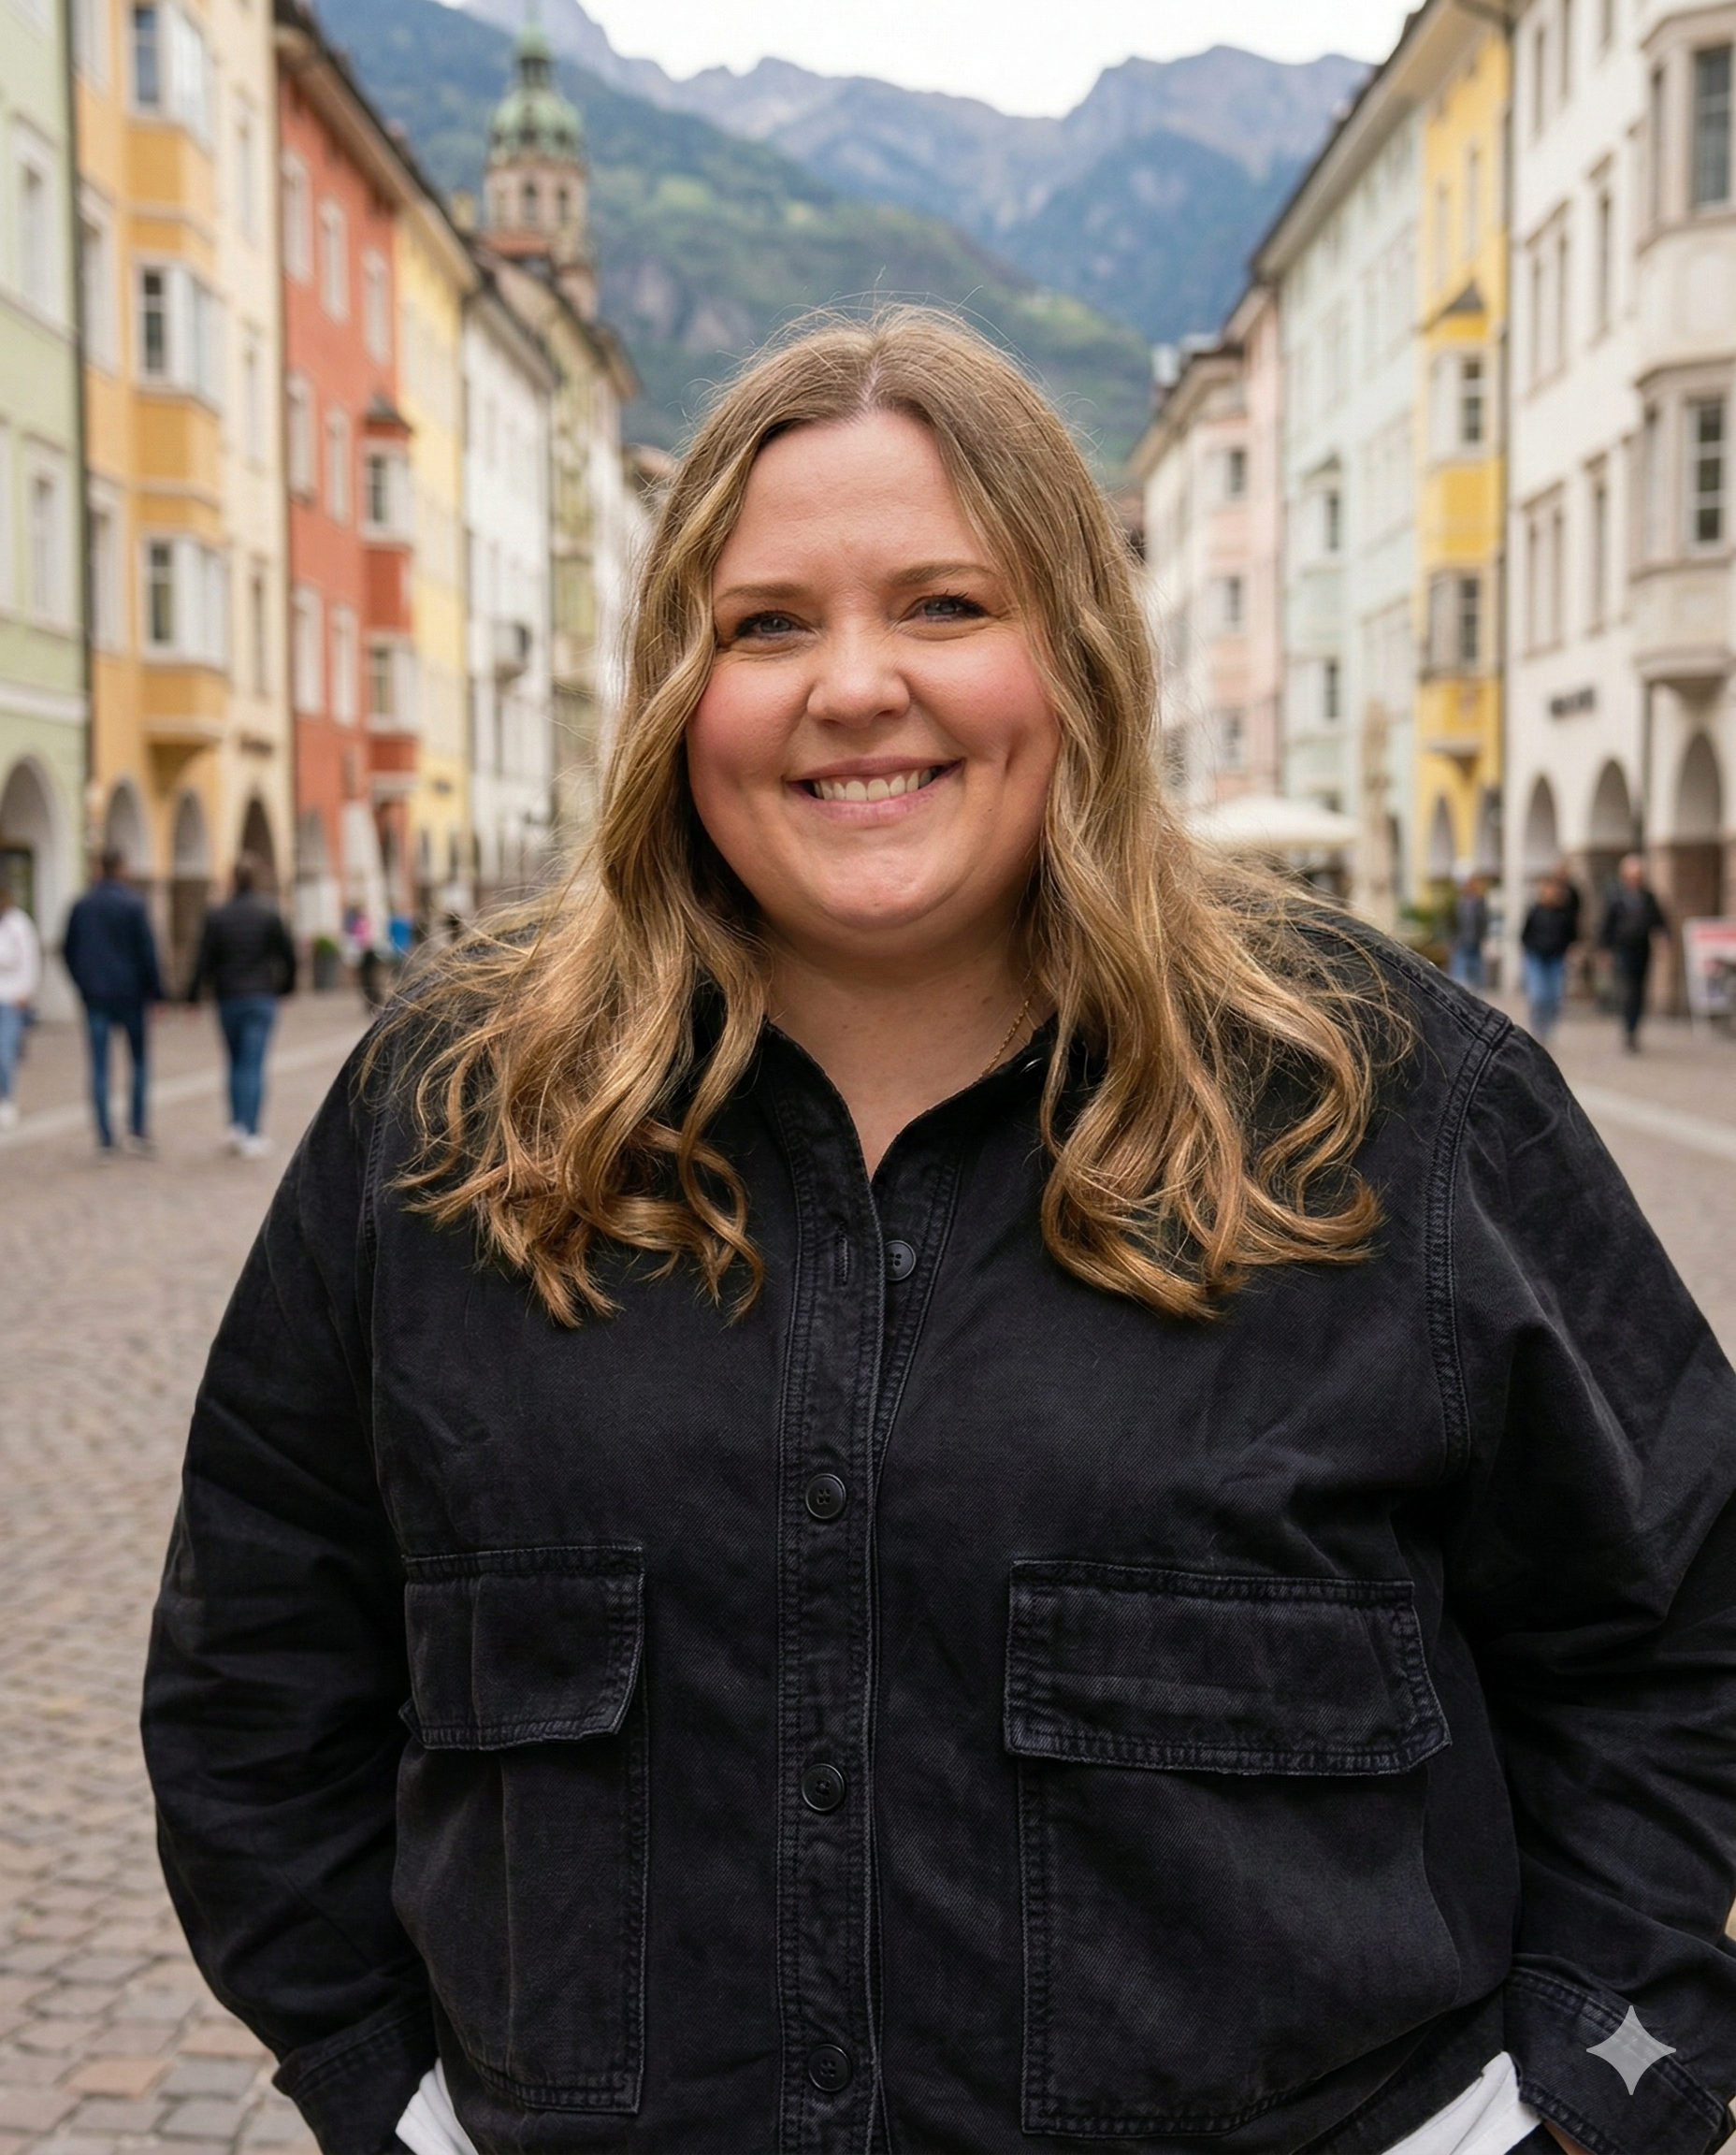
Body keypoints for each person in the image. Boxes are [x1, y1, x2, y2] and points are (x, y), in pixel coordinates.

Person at [142, 315, 1736, 2155]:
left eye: (944, 606)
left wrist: (1593, 2106)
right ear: (677, 687)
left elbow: (1672, 1627)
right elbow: (257, 1664)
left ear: (1076, 655)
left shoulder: (1388, 1102)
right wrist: (389, 2102)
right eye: (765, 626)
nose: (852, 687)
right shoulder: (445, 1118)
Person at [184, 855, 298, 1157]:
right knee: (254, 1064)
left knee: (235, 1063)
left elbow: (204, 958)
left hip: (229, 998)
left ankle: (236, 1124)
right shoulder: (269, 913)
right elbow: (287, 955)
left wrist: (193, 996)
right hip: (260, 996)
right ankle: (251, 1129)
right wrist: (286, 987)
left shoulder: (218, 915)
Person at [63, 847, 164, 1157]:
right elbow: (148, 950)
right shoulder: (133, 904)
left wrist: (83, 983)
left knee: (99, 1066)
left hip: (96, 996)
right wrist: (156, 992)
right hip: (131, 994)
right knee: (139, 1063)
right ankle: (135, 1129)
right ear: (121, 867)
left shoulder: (82, 905)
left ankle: (105, 1137)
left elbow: (68, 949)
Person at [1598, 852, 1668, 1051]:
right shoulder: (1616, 897)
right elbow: (1606, 925)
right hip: (1622, 948)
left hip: (1642, 949)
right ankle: (1628, 1028)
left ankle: (1634, 1028)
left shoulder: (1647, 897)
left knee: (1639, 989)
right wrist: (1604, 950)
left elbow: (1659, 921)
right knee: (1628, 989)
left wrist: (1663, 941)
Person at [0, 873, 41, 1130]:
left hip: (11, 996)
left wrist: (27, 990)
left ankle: (6, 1099)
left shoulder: (18, 924)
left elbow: (29, 959)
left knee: (5, 1051)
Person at [1519, 870, 1577, 1044]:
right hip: (1536, 957)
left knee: (1554, 996)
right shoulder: (1535, 911)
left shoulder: (1564, 914)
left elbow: (1571, 935)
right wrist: (1530, 950)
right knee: (1538, 996)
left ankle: (1549, 1028)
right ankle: (1538, 1029)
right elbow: (1524, 934)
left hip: (1556, 959)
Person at [1447, 868, 1488, 989]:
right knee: (1459, 976)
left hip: (1475, 943)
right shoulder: (1458, 902)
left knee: (1477, 978)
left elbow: (1484, 921)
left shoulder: (1480, 902)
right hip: (1460, 943)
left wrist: (1483, 936)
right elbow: (1451, 922)